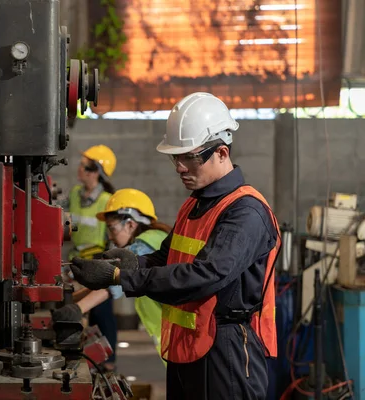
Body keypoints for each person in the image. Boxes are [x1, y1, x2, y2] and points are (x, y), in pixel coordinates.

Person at [68, 92, 280, 400]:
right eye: (175, 158)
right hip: (188, 346)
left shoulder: (244, 212)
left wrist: (120, 278)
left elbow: (203, 276)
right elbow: (164, 259)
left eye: (189, 158)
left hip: (228, 350)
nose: (180, 167)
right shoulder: (193, 204)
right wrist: (123, 262)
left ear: (221, 152)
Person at [54, 188, 171, 366]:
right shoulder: (157, 238)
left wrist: (76, 309)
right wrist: (69, 300)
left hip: (178, 336)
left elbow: (114, 282)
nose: (110, 236)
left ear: (130, 224)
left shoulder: (145, 245)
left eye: (112, 228)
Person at [57, 144, 120, 366]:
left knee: (102, 315)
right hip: (76, 262)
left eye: (84, 166)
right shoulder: (74, 194)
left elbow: (114, 239)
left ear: (95, 171)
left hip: (98, 262)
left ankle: (109, 361)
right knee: (84, 316)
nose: (79, 168)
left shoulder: (107, 200)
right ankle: (89, 358)